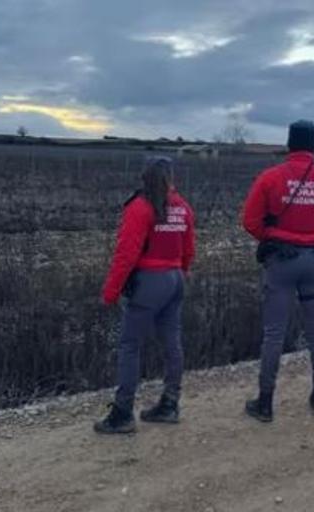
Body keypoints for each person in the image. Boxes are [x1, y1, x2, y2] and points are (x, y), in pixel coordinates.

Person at [241, 120, 314, 422]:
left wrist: (270, 239)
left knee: (274, 334)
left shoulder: (270, 178)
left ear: (289, 143)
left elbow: (250, 221)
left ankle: (265, 403)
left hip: (281, 262)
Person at [95, 156, 195, 435]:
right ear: (171, 177)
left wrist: (111, 292)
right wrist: (183, 271)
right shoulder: (183, 208)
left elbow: (126, 254)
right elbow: (189, 248)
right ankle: (170, 403)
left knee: (130, 346)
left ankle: (123, 412)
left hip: (149, 282)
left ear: (144, 177)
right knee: (172, 342)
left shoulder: (140, 207)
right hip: (175, 279)